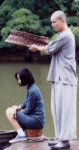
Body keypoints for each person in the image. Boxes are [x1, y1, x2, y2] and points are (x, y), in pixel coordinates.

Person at [28, 10, 78, 149]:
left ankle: (65, 141)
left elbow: (50, 49)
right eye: (51, 23)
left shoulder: (66, 36)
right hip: (59, 77)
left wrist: (37, 47)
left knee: (65, 110)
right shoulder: (61, 35)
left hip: (66, 79)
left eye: (54, 22)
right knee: (57, 109)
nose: (52, 25)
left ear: (63, 21)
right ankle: (61, 139)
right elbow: (51, 46)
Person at [6, 68, 45, 143]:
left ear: (25, 78)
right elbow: (25, 102)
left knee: (9, 112)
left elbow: (28, 110)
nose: (18, 81)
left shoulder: (32, 91)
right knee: (13, 110)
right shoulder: (31, 87)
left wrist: (17, 111)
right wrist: (18, 107)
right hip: (35, 120)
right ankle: (22, 132)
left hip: (37, 121)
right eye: (18, 79)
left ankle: (21, 135)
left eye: (20, 79)